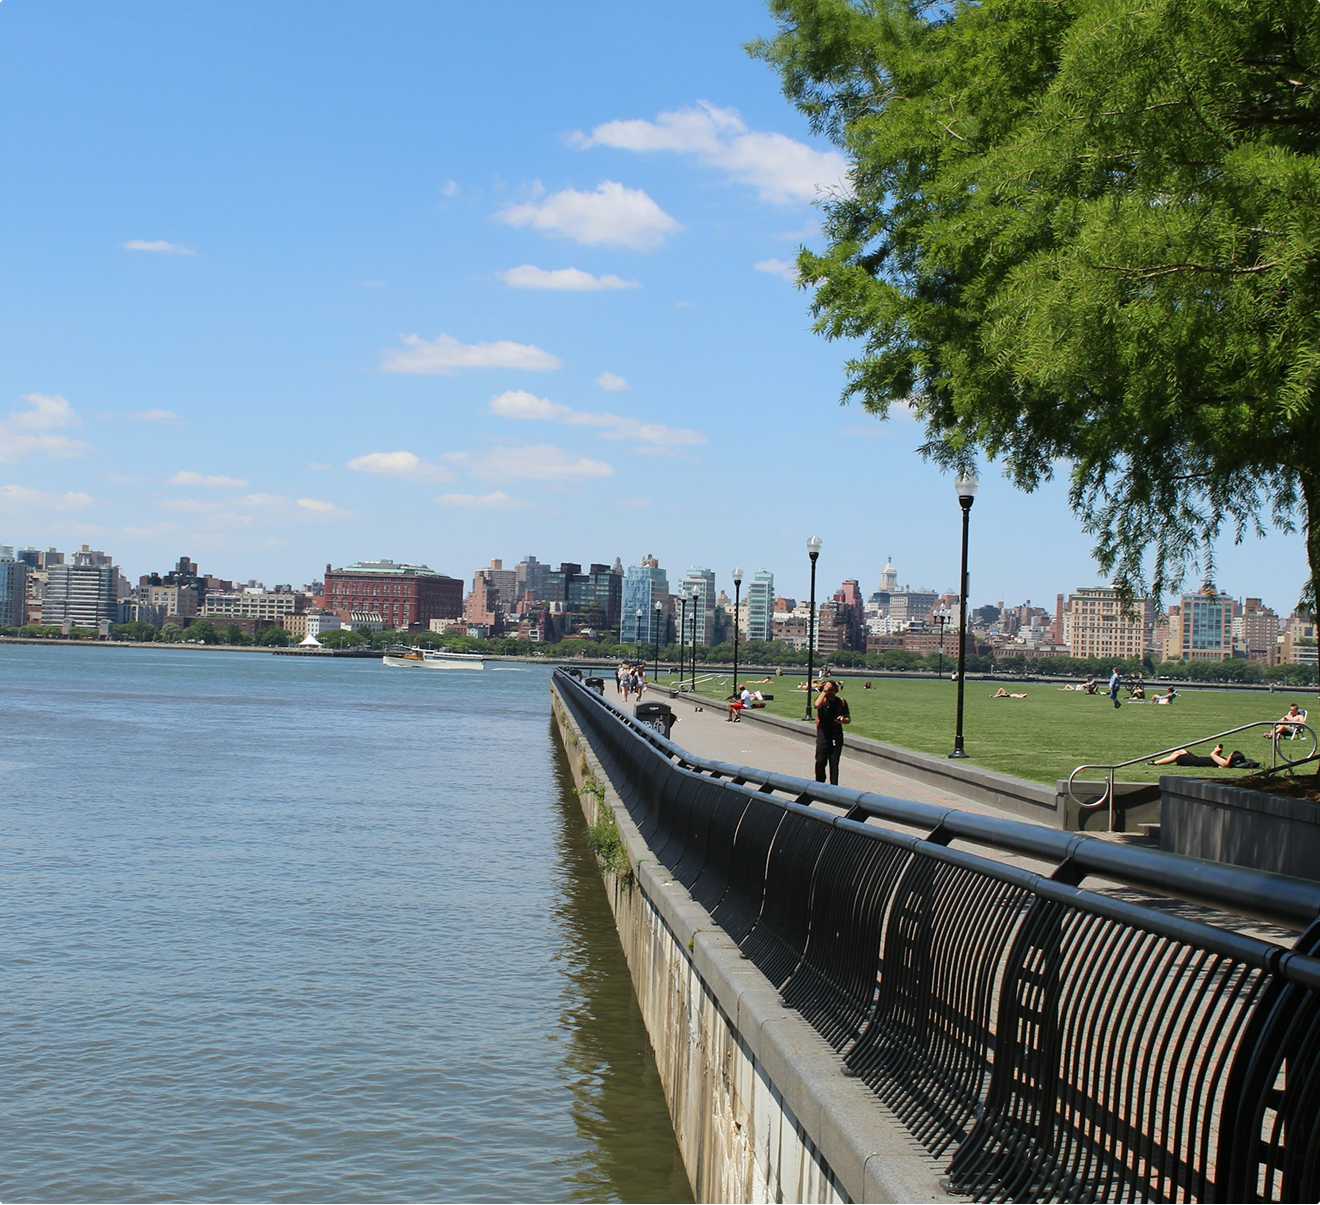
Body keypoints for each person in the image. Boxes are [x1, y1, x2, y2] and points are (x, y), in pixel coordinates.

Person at [813, 679, 850, 785]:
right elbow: (816, 705)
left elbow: (848, 719)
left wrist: (843, 720)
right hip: (823, 736)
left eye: (832, 689)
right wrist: (824, 692)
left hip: (836, 736)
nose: (830, 692)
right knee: (820, 760)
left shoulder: (841, 702)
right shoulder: (822, 700)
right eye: (828, 690)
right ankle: (819, 783)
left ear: (836, 690)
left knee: (834, 762)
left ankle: (834, 785)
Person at [1150, 743, 1233, 768]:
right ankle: (1162, 761)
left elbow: (1212, 755)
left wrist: (1216, 751)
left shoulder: (1225, 763)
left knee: (1177, 756)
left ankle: (1155, 763)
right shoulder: (1223, 760)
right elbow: (1214, 757)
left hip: (1194, 762)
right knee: (1181, 751)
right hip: (1196, 759)